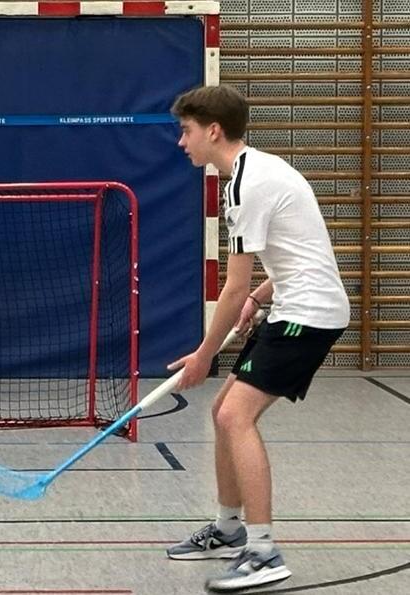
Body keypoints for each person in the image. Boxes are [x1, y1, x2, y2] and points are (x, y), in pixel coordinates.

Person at [164, 85, 349, 592]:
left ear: (213, 131)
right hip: (293, 304)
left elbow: (233, 285)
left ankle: (264, 551)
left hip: (309, 315)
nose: (182, 142)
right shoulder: (258, 171)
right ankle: (229, 527)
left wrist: (203, 356)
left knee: (232, 414)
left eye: (187, 131)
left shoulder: (247, 183)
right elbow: (296, 249)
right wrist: (261, 298)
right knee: (224, 410)